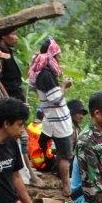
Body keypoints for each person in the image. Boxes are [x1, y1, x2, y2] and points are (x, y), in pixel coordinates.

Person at [28, 37, 74, 187]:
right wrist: (65, 86)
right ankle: (66, 185)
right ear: (51, 56)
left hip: (51, 117)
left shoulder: (42, 72)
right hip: (58, 119)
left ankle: (59, 175)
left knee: (53, 147)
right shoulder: (46, 75)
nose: (59, 58)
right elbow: (57, 99)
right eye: (57, 55)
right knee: (65, 155)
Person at [0, 30, 24, 102]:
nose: (16, 38)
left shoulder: (8, 51)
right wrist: (8, 99)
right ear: (3, 36)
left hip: (16, 94)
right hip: (10, 96)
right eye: (13, 34)